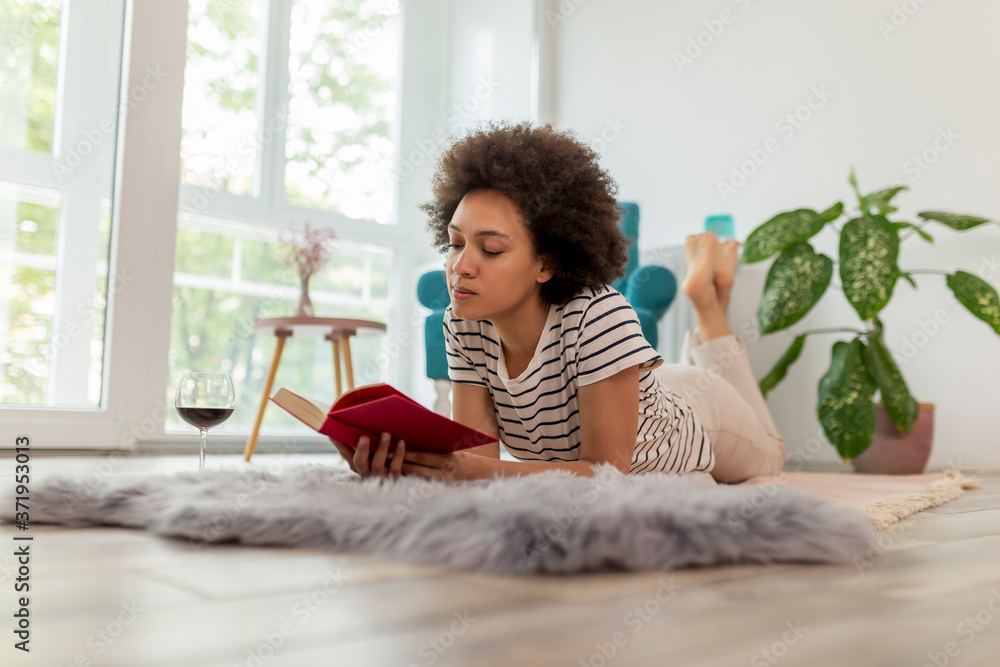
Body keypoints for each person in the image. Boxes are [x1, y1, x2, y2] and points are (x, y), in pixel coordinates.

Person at [333, 122, 784, 483]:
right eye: (454, 244)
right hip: (632, 382)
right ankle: (708, 310)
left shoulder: (599, 316)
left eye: (490, 249)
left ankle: (707, 305)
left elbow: (605, 475)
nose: (461, 267)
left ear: (547, 263)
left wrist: (469, 470)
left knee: (773, 457)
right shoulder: (465, 322)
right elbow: (474, 466)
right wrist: (407, 465)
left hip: (699, 415)